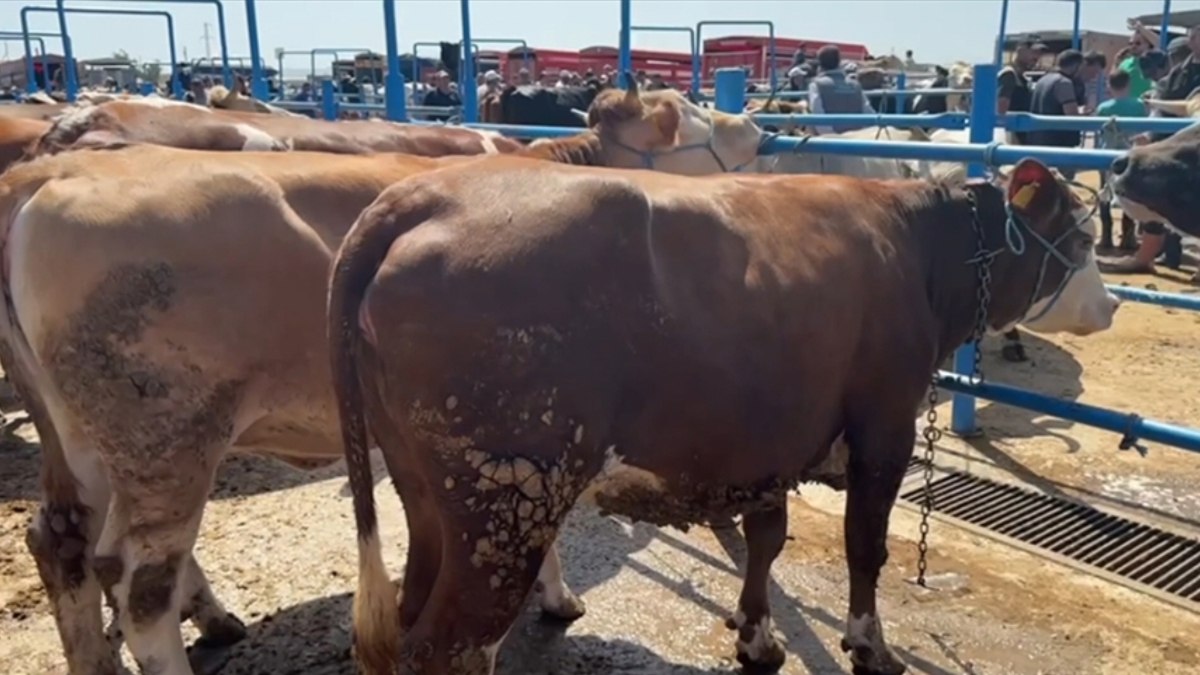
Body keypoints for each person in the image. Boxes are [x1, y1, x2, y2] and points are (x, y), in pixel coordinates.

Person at [1102, 27, 1200, 275]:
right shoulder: (1181, 71)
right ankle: (1145, 257)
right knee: (1159, 206)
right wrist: (1154, 120)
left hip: (1181, 149)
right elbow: (1189, 105)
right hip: (1173, 144)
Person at [1027, 50, 1087, 177]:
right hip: (1059, 146)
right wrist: (1086, 116)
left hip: (1038, 142)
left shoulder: (1042, 80)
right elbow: (1072, 117)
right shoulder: (1064, 83)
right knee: (1063, 187)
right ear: (1076, 66)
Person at [807, 44, 874, 134]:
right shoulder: (855, 85)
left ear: (820, 63)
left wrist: (832, 138)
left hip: (830, 142)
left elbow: (818, 114)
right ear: (839, 62)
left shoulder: (816, 85)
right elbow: (869, 114)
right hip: (858, 141)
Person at [998, 40, 1045, 143]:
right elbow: (1001, 108)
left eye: (1039, 53)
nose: (1036, 57)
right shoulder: (1009, 75)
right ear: (1020, 50)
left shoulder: (1022, 78)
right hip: (1012, 135)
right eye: (1033, 52)